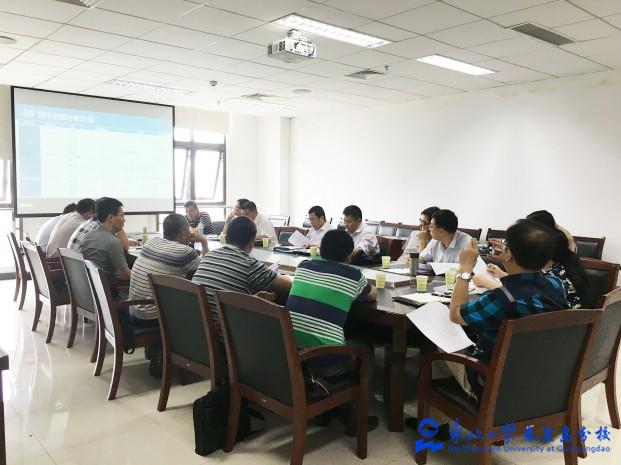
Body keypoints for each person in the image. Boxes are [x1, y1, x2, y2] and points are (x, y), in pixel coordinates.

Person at [406, 220, 569, 434]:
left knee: (435, 349)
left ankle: (435, 427)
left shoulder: (502, 299)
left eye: (505, 246)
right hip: (545, 380)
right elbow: (525, 287)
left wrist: (465, 270)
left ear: (508, 254)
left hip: (497, 385)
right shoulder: (556, 285)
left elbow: (455, 314)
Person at [286, 229, 378, 435]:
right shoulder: (353, 275)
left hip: (292, 355)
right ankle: (358, 415)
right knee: (366, 349)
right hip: (323, 362)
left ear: (321, 249)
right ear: (349, 255)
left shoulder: (304, 266)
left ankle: (330, 403)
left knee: (341, 334)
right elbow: (372, 294)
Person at [128, 213, 206, 376]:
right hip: (154, 315)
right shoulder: (185, 252)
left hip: (134, 309)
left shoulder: (151, 242)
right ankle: (187, 356)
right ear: (184, 233)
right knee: (202, 305)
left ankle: (158, 347)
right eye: (188, 232)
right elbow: (206, 271)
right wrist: (204, 242)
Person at [192, 216, 291, 325]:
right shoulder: (250, 264)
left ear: (227, 237)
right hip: (225, 331)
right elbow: (288, 286)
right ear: (252, 242)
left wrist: (251, 299)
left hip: (198, 326)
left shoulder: (209, 256)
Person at [478, 211, 587, 308]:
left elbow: (519, 295)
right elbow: (529, 284)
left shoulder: (553, 279)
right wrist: (503, 271)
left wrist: (486, 282)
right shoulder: (555, 275)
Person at [80, 197, 131, 280]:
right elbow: (125, 276)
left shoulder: (87, 236)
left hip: (91, 284)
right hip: (109, 286)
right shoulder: (113, 242)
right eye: (122, 216)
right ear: (110, 218)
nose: (124, 220)